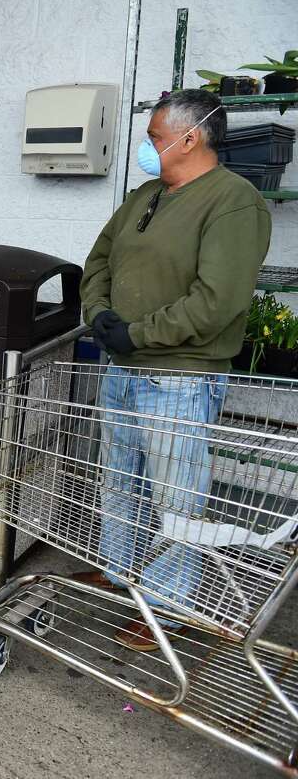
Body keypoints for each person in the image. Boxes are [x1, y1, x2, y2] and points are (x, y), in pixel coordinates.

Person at [78, 88, 271, 650]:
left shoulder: (234, 203)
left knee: (176, 496)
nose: (146, 146)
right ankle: (120, 573)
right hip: (122, 368)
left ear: (192, 138)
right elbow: (98, 261)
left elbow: (219, 299)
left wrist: (138, 334)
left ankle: (165, 605)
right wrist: (100, 313)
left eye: (155, 137)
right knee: (120, 480)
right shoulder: (144, 196)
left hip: (179, 376)